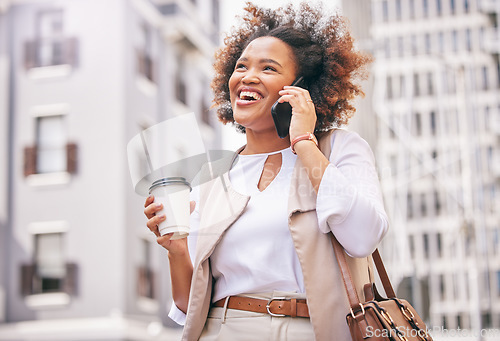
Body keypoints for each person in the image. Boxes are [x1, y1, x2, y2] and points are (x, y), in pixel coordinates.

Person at [144, 2, 389, 340]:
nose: (248, 76)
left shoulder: (338, 149)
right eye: (241, 66)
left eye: (269, 68)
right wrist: (177, 248)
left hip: (314, 331)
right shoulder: (215, 177)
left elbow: (363, 236)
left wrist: (303, 142)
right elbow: (189, 304)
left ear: (302, 87)